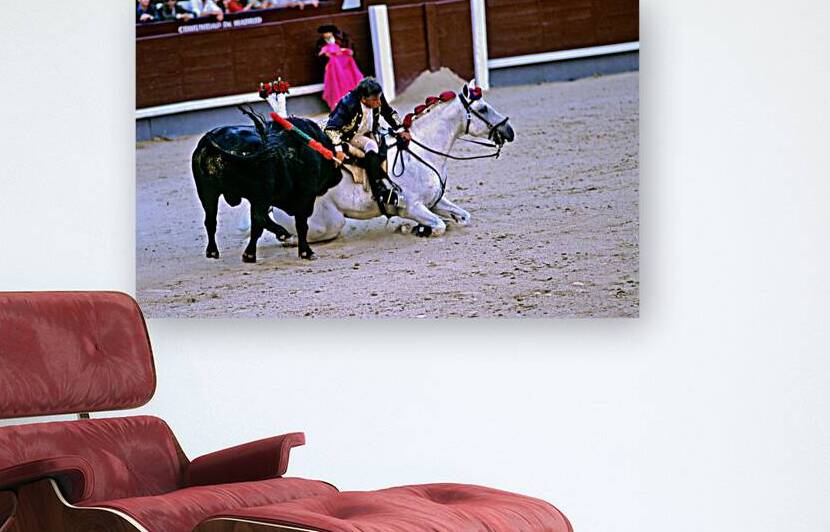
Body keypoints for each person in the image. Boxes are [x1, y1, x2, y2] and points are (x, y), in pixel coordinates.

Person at [325, 77, 412, 210]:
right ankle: (379, 190)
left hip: (370, 131)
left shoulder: (376, 97)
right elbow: (331, 128)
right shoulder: (348, 104)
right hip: (349, 135)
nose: (378, 102)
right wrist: (338, 148)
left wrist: (400, 130)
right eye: (374, 100)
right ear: (363, 99)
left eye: (379, 98)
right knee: (371, 146)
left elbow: (388, 113)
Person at [317, 24, 364, 111]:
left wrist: (343, 51)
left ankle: (353, 101)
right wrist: (327, 59)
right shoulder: (321, 43)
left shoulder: (341, 39)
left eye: (328, 32)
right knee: (336, 86)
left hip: (345, 66)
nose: (326, 34)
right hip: (333, 69)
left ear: (331, 33)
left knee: (349, 82)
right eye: (324, 33)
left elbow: (350, 50)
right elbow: (320, 56)